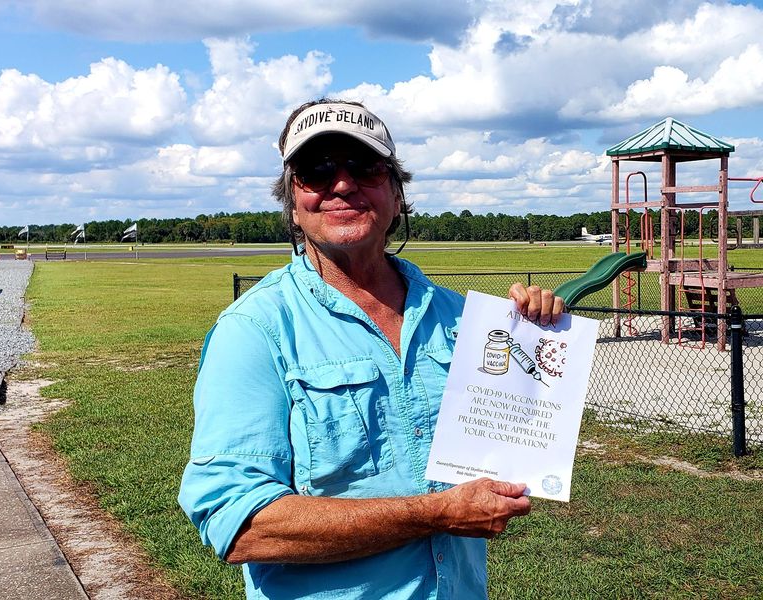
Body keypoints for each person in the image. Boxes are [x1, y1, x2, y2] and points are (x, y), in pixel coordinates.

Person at [179, 99, 564, 599]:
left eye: (365, 166)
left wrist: (538, 331)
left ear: (397, 194)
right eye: (316, 172)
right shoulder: (253, 329)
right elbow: (239, 522)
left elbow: (517, 444)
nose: (342, 184)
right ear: (293, 205)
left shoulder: (462, 320)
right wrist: (436, 513)